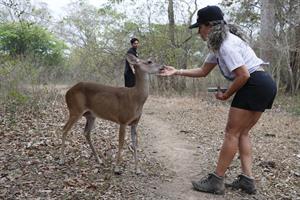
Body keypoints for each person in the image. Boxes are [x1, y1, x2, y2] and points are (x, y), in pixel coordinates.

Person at [159, 5, 277, 195]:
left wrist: (226, 94)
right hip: (266, 84)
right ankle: (248, 180)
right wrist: (177, 71)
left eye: (200, 27)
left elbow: (243, 75)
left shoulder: (225, 45)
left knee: (231, 133)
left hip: (254, 83)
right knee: (243, 132)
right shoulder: (219, 44)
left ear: (209, 25)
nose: (199, 32)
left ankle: (216, 180)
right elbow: (203, 71)